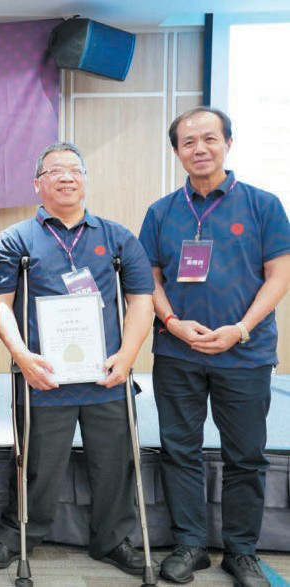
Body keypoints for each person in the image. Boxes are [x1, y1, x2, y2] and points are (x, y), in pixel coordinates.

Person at [0, 141, 154, 576]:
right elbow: (1, 305)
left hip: (106, 377)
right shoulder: (17, 239)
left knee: (114, 465)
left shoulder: (116, 237)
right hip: (44, 378)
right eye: (54, 171)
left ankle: (112, 539)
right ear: (37, 184)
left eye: (74, 170)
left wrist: (127, 356)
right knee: (37, 466)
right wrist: (22, 357)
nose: (66, 177)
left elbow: (141, 300)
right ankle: (20, 534)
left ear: (86, 180)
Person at [138, 107, 290, 587]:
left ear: (227, 143)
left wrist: (240, 329)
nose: (199, 148)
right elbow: (149, 279)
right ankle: (190, 545)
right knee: (179, 450)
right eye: (188, 142)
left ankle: (242, 552)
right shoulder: (161, 212)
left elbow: (280, 275)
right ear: (176, 151)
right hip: (177, 352)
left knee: (245, 456)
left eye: (209, 139)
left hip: (245, 352)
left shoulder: (263, 205)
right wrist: (172, 322)